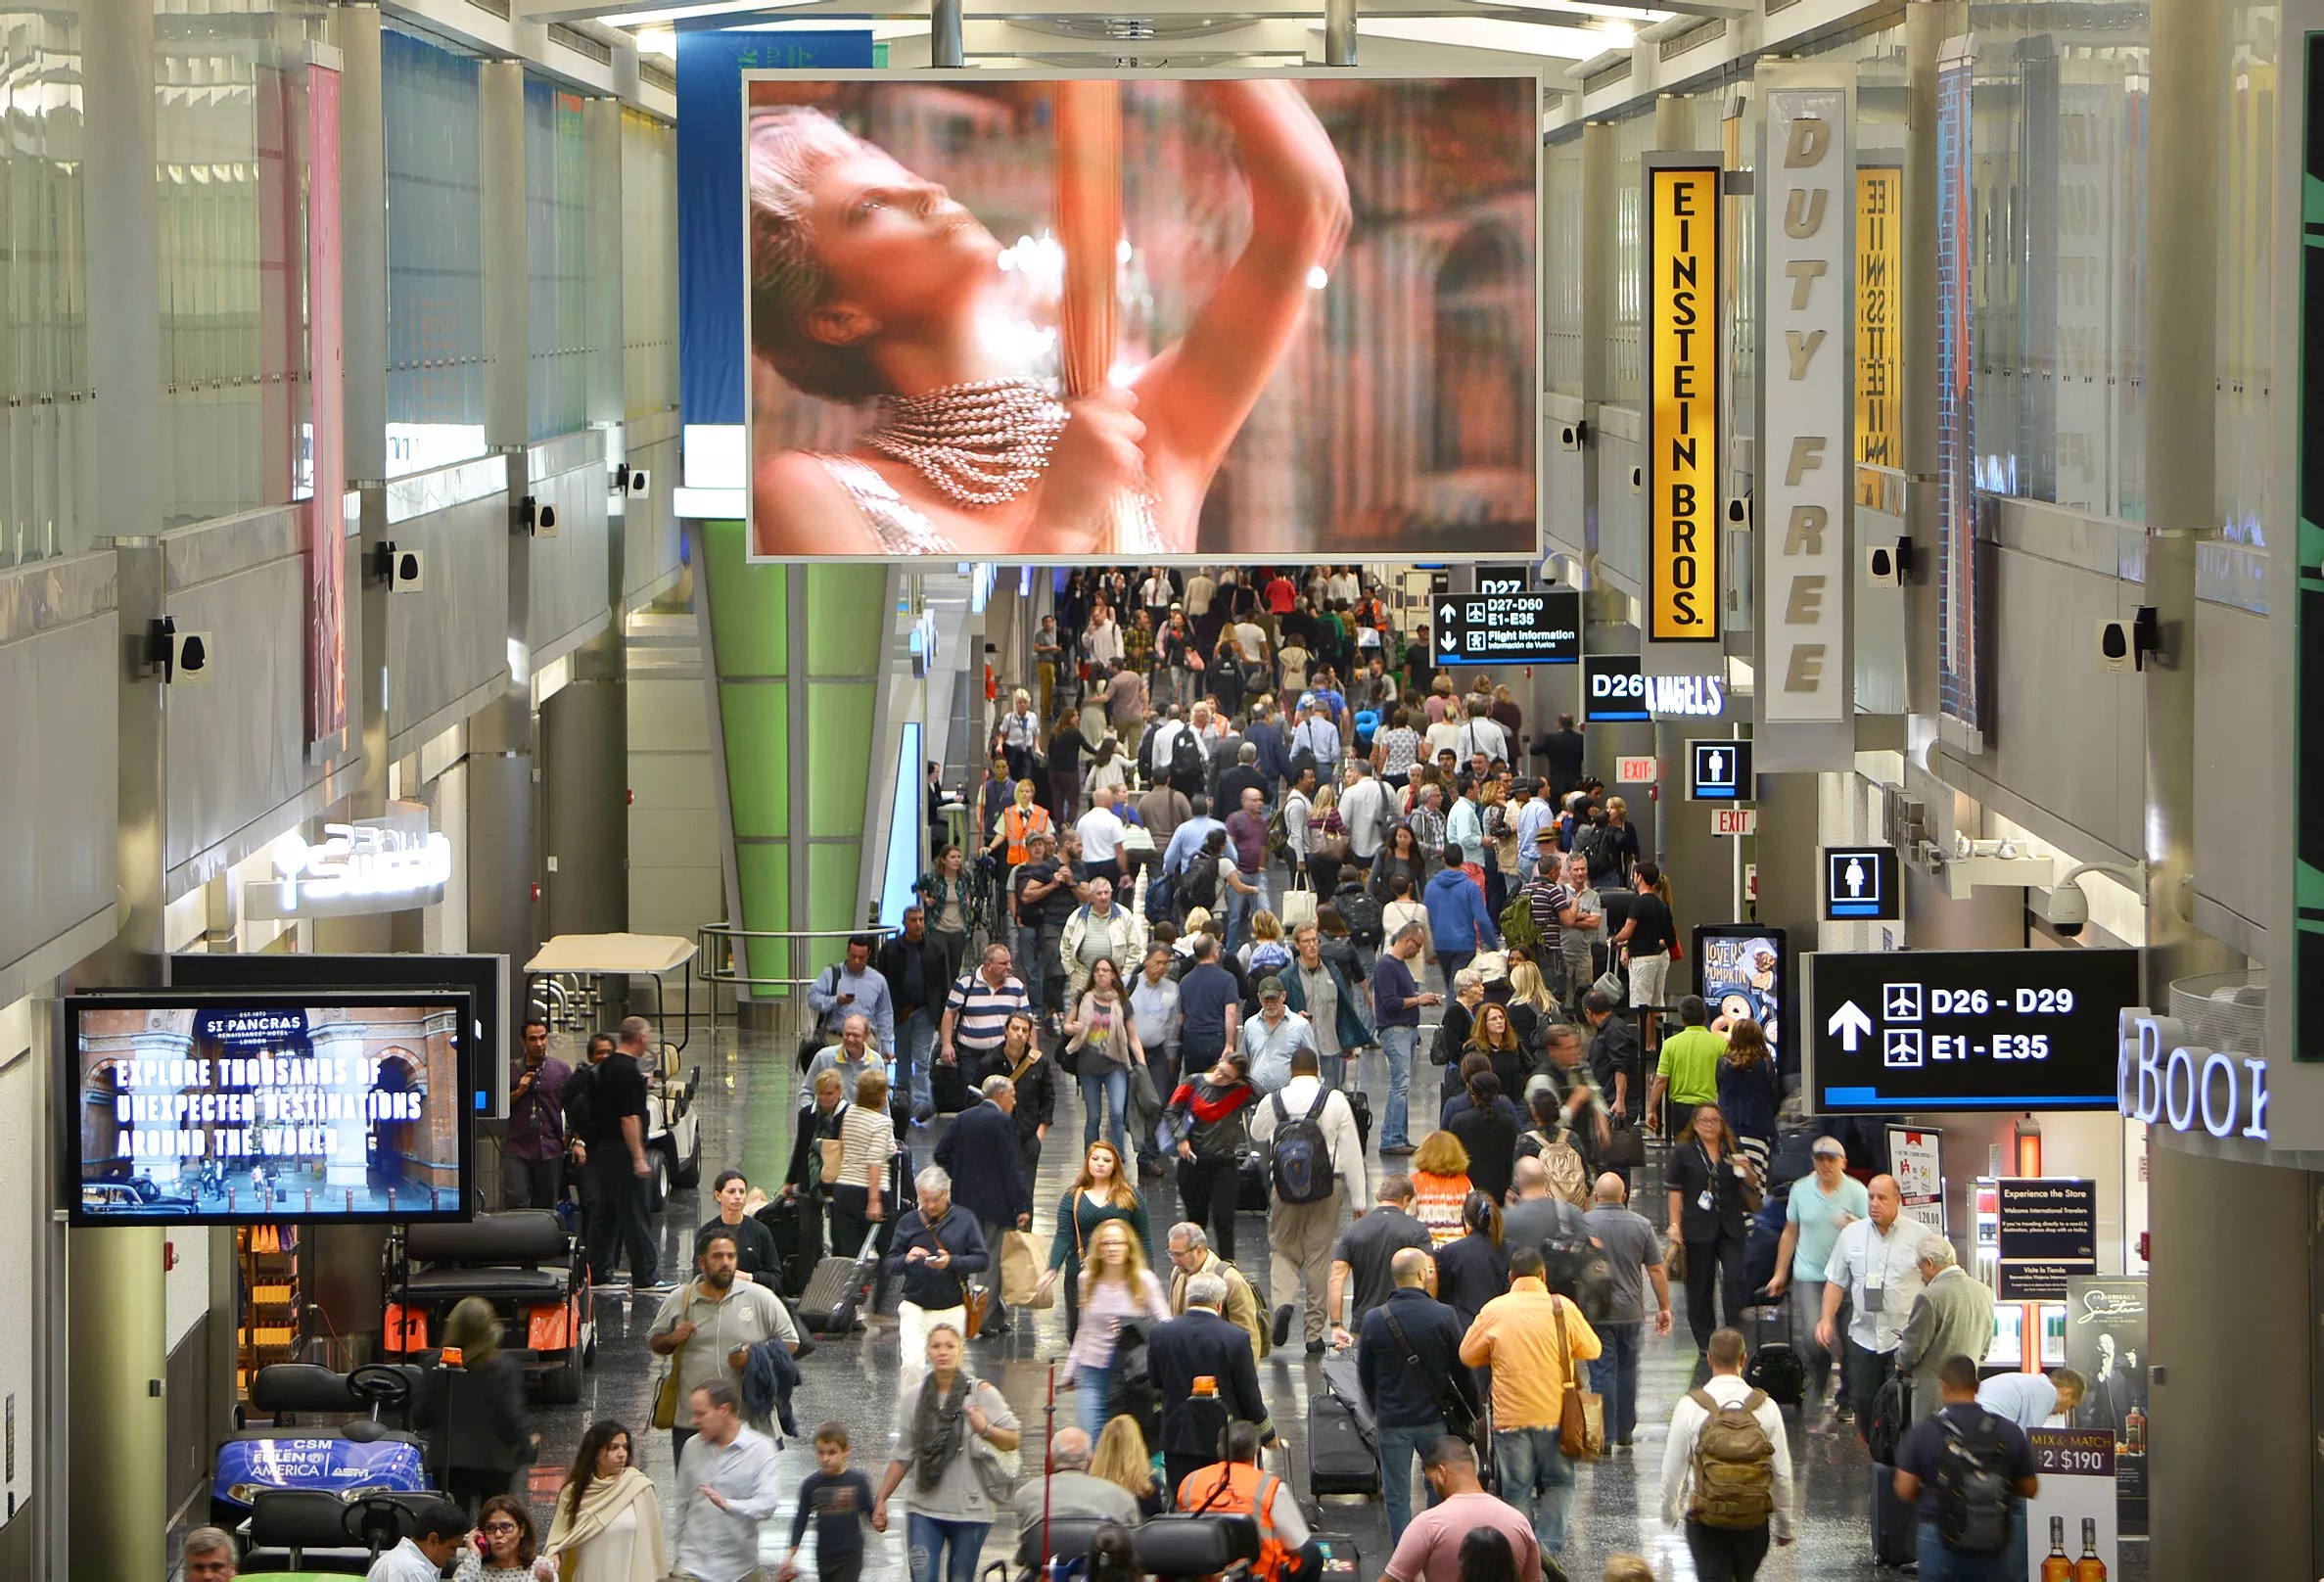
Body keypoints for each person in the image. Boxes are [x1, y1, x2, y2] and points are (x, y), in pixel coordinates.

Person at [1458, 1247, 1604, 1563]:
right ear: (1543, 1276)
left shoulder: (1494, 1309)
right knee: (1561, 1483)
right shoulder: (1561, 1307)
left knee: (1516, 1491)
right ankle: (1547, 1550)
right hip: (1557, 1416)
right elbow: (1592, 1348)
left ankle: (1521, 1554)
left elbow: (1467, 1354)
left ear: (1510, 1277)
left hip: (1511, 1419)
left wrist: (1493, 1353)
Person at [873, 1325, 1023, 1582]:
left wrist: (985, 1428)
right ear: (928, 1352)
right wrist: (881, 1499)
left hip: (971, 1509)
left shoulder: (981, 1393)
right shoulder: (913, 1398)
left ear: (960, 1351)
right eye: (936, 1346)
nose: (943, 1352)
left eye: (950, 1346)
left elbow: (1013, 1439)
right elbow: (904, 1454)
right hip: (924, 1507)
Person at [1358, 1247, 1480, 1546]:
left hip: (1392, 1420)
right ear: (1423, 1274)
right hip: (1434, 1418)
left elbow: (1364, 1373)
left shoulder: (1374, 1319)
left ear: (1395, 1277)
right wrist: (1473, 1409)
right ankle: (1436, 1544)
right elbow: (1462, 1368)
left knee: (1397, 1495)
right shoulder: (1443, 1315)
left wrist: (1379, 1408)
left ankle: (1405, 1552)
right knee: (1438, 1485)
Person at [1250, 1047, 1369, 1352]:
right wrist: (1360, 1200)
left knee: (1282, 1249)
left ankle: (1283, 1305)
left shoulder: (1273, 1100)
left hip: (1284, 1188)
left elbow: (1257, 1132)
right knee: (1318, 1255)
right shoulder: (1334, 1099)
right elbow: (1352, 1150)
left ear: (1291, 1071)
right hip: (1328, 1186)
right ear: (1317, 1070)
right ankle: (1314, 1334)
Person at [649, 1227, 801, 1460]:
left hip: (747, 1424)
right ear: (702, 1262)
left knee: (744, 1493)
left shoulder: (759, 1297)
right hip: (692, 1424)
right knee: (695, 1493)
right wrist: (672, 1338)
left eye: (731, 1256)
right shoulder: (681, 1299)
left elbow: (791, 1341)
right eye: (718, 1257)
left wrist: (756, 1355)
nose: (726, 1263)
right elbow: (655, 1341)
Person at [1658, 1326, 1795, 1580]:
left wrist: (1670, 1513)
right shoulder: (1765, 1406)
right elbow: (1781, 1472)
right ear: (1744, 1359)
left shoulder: (1690, 1406)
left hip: (1706, 1521)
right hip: (1753, 1521)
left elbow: (1672, 1468)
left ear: (1709, 1358)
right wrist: (1785, 1525)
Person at [1893, 1355, 2040, 1582]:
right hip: (1993, 1538)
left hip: (1938, 1534)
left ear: (1942, 1386)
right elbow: (2030, 1488)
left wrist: (1937, 1489)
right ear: (1978, 1386)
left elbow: (1904, 1489)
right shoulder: (2008, 1431)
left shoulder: (1925, 1432)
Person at [1149, 1269, 1276, 1495]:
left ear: (1188, 1299)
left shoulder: (1160, 1334)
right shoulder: (1236, 1338)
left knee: (1184, 1499)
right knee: (1222, 1499)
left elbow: (1156, 1382)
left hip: (1178, 1436)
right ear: (1219, 1303)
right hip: (1225, 1441)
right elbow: (1249, 1394)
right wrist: (1267, 1433)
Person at [1819, 1175, 1926, 1439]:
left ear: (1898, 1200)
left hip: (1903, 1338)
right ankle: (1875, 1457)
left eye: (1882, 1198)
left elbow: (1936, 1281)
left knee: (1901, 1406)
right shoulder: (1851, 1235)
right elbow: (1835, 1280)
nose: (1874, 1203)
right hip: (1864, 1337)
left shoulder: (1920, 1236)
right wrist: (1825, 1319)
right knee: (1864, 1403)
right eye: (1871, 1197)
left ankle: (1899, 1461)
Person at [1765, 1136, 1868, 1407]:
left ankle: (1847, 1397)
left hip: (1847, 1278)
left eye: (1831, 1159)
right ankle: (1819, 1376)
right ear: (1813, 1161)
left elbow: (1871, 1235)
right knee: (1815, 1337)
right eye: (1820, 1159)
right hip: (1810, 1275)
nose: (1825, 1165)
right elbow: (1790, 1231)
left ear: (1842, 1162)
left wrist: (1854, 1224)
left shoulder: (1857, 1192)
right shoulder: (1800, 1190)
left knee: (1850, 1340)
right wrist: (1780, 1273)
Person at [1579, 1173, 1672, 1452]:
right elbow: (1656, 1269)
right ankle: (1625, 1431)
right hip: (1630, 1310)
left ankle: (1603, 1436)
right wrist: (1664, 1307)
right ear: (1624, 1196)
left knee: (1602, 1371)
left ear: (1596, 1197)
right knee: (1628, 1368)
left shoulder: (1584, 1224)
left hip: (1596, 1311)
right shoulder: (1641, 1225)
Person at [935, 1077, 1032, 1334]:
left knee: (966, 1257)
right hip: (997, 1205)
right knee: (991, 1261)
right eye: (1012, 1096)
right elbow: (1012, 1168)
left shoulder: (963, 1118)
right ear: (1000, 1095)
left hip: (964, 1202)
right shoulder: (1003, 1122)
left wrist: (960, 1172)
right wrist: (1021, 1205)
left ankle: (991, 1316)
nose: (1014, 1101)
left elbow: (940, 1153)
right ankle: (984, 1320)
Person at [882, 1167, 993, 1393]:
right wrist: (907, 1258)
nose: (930, 1206)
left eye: (936, 1199)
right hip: (915, 1306)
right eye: (925, 1200)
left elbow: (982, 1260)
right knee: (911, 1364)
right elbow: (890, 1264)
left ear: (947, 1193)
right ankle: (911, 1416)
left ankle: (949, 1417)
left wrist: (951, 1262)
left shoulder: (965, 1219)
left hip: (952, 1307)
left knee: (949, 1369)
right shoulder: (908, 1222)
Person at [1665, 1102, 1756, 1373]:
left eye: (1714, 1121)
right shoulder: (1683, 1152)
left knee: (1735, 1278)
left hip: (1729, 1224)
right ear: (1694, 1124)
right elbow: (1675, 1190)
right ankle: (1705, 1341)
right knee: (1700, 1284)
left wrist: (1747, 1170)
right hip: (1697, 1225)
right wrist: (1674, 1224)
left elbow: (1748, 1184)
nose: (1709, 1125)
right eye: (1703, 1121)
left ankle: (1732, 1334)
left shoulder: (1732, 1148)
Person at [1175, 1422, 1324, 1582]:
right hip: (1258, 1576)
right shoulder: (1271, 1487)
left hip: (1206, 1574)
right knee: (1312, 1553)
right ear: (1255, 1452)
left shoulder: (1190, 1481)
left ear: (1219, 1450)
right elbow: (1296, 1545)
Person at [1379, 1435, 1541, 1582]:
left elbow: (1391, 1580)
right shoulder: (1518, 1522)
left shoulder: (1427, 1524)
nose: (1434, 1488)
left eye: (1432, 1481)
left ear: (1442, 1473)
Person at [667, 1381, 784, 1582]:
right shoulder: (691, 1447)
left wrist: (728, 1505)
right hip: (691, 1567)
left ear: (724, 1410)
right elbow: (681, 1502)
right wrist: (678, 1554)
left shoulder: (761, 1449)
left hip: (740, 1569)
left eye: (701, 1414)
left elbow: (767, 1505)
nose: (693, 1420)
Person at [428, 1296, 535, 1515]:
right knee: (495, 1530)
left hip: (449, 1462)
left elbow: (421, 1414)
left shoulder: (435, 1365)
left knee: (453, 1531)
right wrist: (527, 1445)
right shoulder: (505, 1368)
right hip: (495, 1463)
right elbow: (511, 1414)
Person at [1065, 1218, 1174, 1435]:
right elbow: (1084, 1329)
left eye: (1118, 1243)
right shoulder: (1086, 1279)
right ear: (1098, 1248)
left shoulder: (1144, 1279)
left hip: (1131, 1371)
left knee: (1126, 1440)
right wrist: (1070, 1370)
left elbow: (1166, 1325)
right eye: (1106, 1243)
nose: (1112, 1248)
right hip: (1092, 1368)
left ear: (1129, 1247)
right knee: (1092, 1438)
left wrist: (1134, 1326)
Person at [1039, 1140, 1154, 1336]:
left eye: (1106, 1160)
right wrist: (1052, 1268)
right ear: (1088, 1162)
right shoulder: (1072, 1197)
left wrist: (1147, 1273)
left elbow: (1144, 1237)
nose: (1100, 1163)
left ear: (1115, 1165)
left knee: (1119, 1332)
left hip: (1121, 1273)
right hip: (1081, 1271)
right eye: (1095, 1159)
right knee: (1078, 1331)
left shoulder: (1130, 1195)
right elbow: (1064, 1236)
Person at [584, 1017, 664, 1292]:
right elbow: (629, 1117)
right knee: (635, 1212)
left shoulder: (606, 1067)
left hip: (604, 1150)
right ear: (641, 1037)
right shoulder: (627, 1070)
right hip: (623, 1151)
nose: (649, 1040)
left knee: (606, 1213)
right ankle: (646, 1276)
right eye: (648, 1036)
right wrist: (639, 1157)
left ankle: (598, 1271)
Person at [1163, 1049, 1259, 1264]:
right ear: (1219, 1060)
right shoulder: (1194, 1081)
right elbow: (1171, 1111)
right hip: (1193, 1162)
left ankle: (1228, 1270)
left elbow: (1264, 1094)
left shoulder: (1239, 1091)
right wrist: (1181, 1138)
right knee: (1196, 1223)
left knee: (1224, 1221)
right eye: (1221, 1070)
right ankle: (1195, 1268)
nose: (1220, 1077)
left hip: (1224, 1164)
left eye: (1228, 1077)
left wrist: (1243, 1079)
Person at [541, 1420, 668, 1582]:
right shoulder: (573, 1492)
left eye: (625, 1447)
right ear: (595, 1453)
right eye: (614, 1448)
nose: (622, 1454)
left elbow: (653, 1547)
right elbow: (557, 1540)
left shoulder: (638, 1487)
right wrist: (553, 1556)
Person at [1895, 1233, 1997, 1422]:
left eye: (1920, 1268)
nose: (1921, 1275)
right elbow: (1984, 1350)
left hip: (1933, 1393)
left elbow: (1910, 1353)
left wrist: (1900, 1354)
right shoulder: (1984, 1292)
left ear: (1929, 1263)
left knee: (1931, 1445)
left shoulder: (1929, 1297)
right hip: (1969, 1390)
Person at [1370, 922, 1440, 1158]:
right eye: (1417, 945)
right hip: (1395, 1030)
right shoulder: (1386, 966)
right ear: (1406, 939)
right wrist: (1419, 1000)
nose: (1418, 951)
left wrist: (1421, 999)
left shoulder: (1398, 966)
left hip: (1406, 1030)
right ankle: (1391, 1139)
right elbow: (1390, 1003)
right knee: (1400, 1085)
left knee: (1401, 1085)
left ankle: (1398, 1136)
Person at [1064, 954, 1145, 1152]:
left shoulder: (1123, 1002)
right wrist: (1072, 1028)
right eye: (1097, 970)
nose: (1100, 974)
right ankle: (1090, 1161)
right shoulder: (1082, 997)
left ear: (1113, 976)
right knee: (1093, 1117)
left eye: (1105, 971)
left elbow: (1133, 1037)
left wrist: (1141, 1065)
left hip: (1115, 1063)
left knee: (1117, 1113)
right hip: (1088, 1065)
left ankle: (1117, 1158)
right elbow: (1066, 1026)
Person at [780, 1422, 879, 1582]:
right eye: (821, 1452)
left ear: (846, 1451)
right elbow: (801, 1519)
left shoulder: (858, 1481)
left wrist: (879, 1520)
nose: (825, 1458)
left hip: (850, 1555)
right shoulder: (811, 1485)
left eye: (832, 1452)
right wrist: (791, 1554)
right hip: (824, 1554)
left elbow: (870, 1512)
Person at [881, 906, 953, 1120]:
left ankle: (922, 1102)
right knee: (901, 1058)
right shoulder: (890, 950)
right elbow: (885, 983)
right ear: (904, 923)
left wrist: (940, 1015)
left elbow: (942, 983)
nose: (918, 924)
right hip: (900, 1012)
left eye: (921, 919)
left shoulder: (934, 949)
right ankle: (902, 1100)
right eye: (914, 920)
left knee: (921, 1058)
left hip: (924, 1010)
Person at [1008, 1423, 1142, 1536]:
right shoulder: (1122, 1497)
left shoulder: (1025, 1495)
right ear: (1090, 1461)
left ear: (1049, 1460)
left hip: (1045, 1565)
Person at [975, 1011, 1056, 1194]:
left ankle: (1024, 1225)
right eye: (1015, 1028)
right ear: (1005, 1031)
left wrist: (1039, 1135)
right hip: (994, 1139)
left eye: (1024, 1030)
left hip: (1028, 1138)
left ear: (1029, 1034)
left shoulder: (1039, 1063)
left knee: (1025, 1192)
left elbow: (1048, 1098)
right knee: (997, 1190)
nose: (1019, 1033)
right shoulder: (988, 1063)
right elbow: (974, 1098)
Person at [827, 1068, 898, 1274]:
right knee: (889, 1251)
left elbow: (843, 1144)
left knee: (850, 1255)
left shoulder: (849, 1113)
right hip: (869, 1191)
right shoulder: (882, 1123)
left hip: (843, 1189)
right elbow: (874, 1162)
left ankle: (849, 1302)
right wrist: (874, 1201)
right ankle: (883, 1301)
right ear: (882, 1094)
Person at [1165, 1220, 1269, 1360]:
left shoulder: (1231, 1281)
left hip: (1220, 1371)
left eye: (1179, 1255)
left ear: (1199, 1250)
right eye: (1171, 1254)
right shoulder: (1178, 1274)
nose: (1174, 1260)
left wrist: (1246, 1378)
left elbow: (1249, 1338)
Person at [505, 1019, 570, 1210]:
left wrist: (576, 1140)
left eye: (542, 1038)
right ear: (523, 1042)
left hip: (550, 1148)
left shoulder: (561, 1070)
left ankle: (544, 1239)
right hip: (518, 1148)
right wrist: (518, 1091)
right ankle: (518, 1239)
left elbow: (573, 1106)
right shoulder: (510, 1070)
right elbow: (497, 1108)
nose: (539, 1043)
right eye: (533, 1039)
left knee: (547, 1206)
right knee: (516, 1200)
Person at [940, 944, 1031, 1078]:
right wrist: (946, 1044)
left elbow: (1028, 1020)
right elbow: (949, 1013)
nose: (1009, 967)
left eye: (1009, 962)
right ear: (988, 965)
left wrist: (1032, 1052)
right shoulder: (965, 983)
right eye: (1003, 963)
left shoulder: (1016, 986)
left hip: (1006, 1056)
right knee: (972, 1096)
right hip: (971, 1057)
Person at [807, 935, 897, 1061]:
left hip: (867, 1043)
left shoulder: (878, 981)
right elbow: (813, 999)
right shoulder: (830, 975)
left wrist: (887, 1046)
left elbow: (885, 1014)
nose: (857, 961)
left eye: (861, 958)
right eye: (853, 956)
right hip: (836, 1040)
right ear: (847, 952)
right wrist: (836, 1001)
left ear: (869, 955)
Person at [1431, 1191, 1510, 1335]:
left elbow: (1443, 1294)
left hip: (1463, 1331)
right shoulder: (1511, 1250)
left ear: (1465, 1218)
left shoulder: (1450, 1252)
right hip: (1500, 1329)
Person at [1649, 996, 1725, 1140]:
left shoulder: (1670, 1044)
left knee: (1684, 1155)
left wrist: (1651, 1110)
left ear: (1682, 1019)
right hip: (1709, 1107)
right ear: (1705, 1017)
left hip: (1680, 1109)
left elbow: (1661, 1079)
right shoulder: (1720, 1044)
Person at [1609, 863, 1677, 1025]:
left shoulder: (1638, 903)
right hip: (1658, 957)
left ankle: (1645, 1045)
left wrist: (1614, 940)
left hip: (1641, 959)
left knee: (1641, 1006)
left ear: (1639, 877)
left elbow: (1627, 931)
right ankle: (1657, 1042)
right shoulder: (1662, 905)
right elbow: (1669, 938)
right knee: (1656, 1002)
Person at [1715, 1018, 1781, 1179]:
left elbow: (1720, 1091)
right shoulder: (1766, 1064)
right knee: (1756, 1180)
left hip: (1729, 1128)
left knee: (1729, 1180)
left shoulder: (1723, 1063)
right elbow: (1772, 1097)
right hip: (1759, 1127)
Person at [1424, 848, 1499, 985]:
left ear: (1443, 860)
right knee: (1459, 986)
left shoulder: (1431, 887)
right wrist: (1493, 944)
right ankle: (1454, 1006)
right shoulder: (1470, 887)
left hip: (1440, 943)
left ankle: (1452, 1006)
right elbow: (1482, 920)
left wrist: (1428, 947)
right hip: (1464, 943)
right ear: (1462, 860)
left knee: (1450, 984)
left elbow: (1426, 918)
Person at [1446, 1069, 1520, 1205]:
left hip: (1467, 1188)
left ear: (1472, 1094)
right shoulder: (1508, 1122)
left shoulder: (1459, 1121)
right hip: (1499, 1190)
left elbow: (1453, 1158)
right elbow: (1510, 1159)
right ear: (1496, 1093)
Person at [696, 1170, 782, 1282]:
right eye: (731, 1191)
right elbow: (698, 1275)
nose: (737, 1196)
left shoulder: (760, 1231)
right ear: (718, 1195)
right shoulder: (706, 1233)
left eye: (742, 1192)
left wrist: (749, 1277)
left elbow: (776, 1277)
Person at [1238, 975, 1316, 1094]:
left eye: (1274, 999)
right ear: (1259, 997)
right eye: (1266, 999)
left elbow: (1313, 1064)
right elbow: (1244, 1062)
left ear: (1283, 996)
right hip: (1256, 1097)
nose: (1270, 1004)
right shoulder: (1250, 1025)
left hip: (1290, 1098)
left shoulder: (1301, 1026)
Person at [364, 1500, 471, 1582]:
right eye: (452, 1547)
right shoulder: (413, 1572)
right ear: (432, 1540)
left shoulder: (400, 1561)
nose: (454, 1555)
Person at [1409, 1131, 1474, 1247]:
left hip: (1425, 1247)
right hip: (1457, 1248)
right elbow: (1470, 1222)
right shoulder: (1465, 1183)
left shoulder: (1415, 1182)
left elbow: (1409, 1218)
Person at [451, 1495, 538, 1582]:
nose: (498, 1534)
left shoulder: (539, 1568)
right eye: (490, 1528)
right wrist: (474, 1553)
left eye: (506, 1526)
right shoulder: (474, 1569)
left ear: (522, 1530)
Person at [1976, 1365, 2088, 1428]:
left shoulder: (2034, 1383)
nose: (2064, 1412)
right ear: (2067, 1393)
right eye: (2070, 1406)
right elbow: (2030, 1437)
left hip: (1975, 1419)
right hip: (1983, 1426)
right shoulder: (2048, 1391)